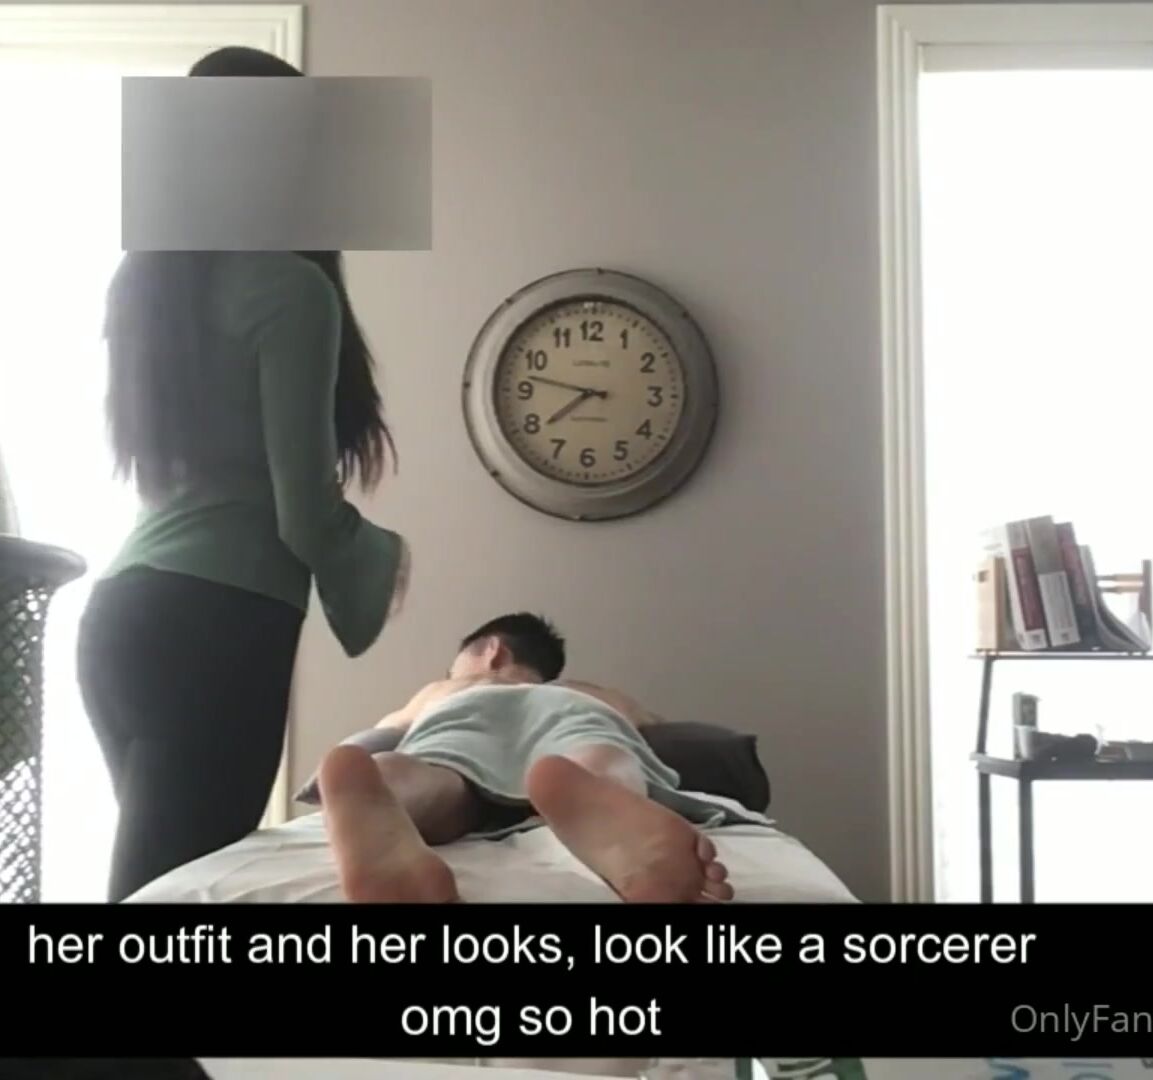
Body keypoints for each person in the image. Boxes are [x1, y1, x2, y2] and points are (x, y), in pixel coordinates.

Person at [76, 46, 411, 902]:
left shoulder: (144, 285)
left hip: (123, 615)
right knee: (173, 912)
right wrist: (382, 558)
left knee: (161, 895)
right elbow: (303, 512)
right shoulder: (290, 289)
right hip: (219, 625)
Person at [313, 613, 762, 904]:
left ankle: (387, 794)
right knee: (600, 757)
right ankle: (608, 806)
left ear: (492, 650)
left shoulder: (446, 690)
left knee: (429, 771)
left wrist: (364, 759)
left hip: (464, 717)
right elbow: (657, 726)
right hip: (576, 714)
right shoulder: (591, 692)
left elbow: (388, 729)